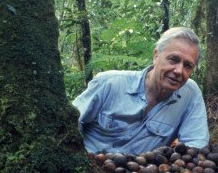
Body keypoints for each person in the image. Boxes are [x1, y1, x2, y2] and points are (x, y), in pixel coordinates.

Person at [73, 27, 209, 155]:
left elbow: (196, 145)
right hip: (88, 172)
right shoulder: (110, 83)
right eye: (173, 59)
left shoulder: (189, 93)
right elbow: (68, 123)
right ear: (156, 55)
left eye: (188, 66)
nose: (179, 71)